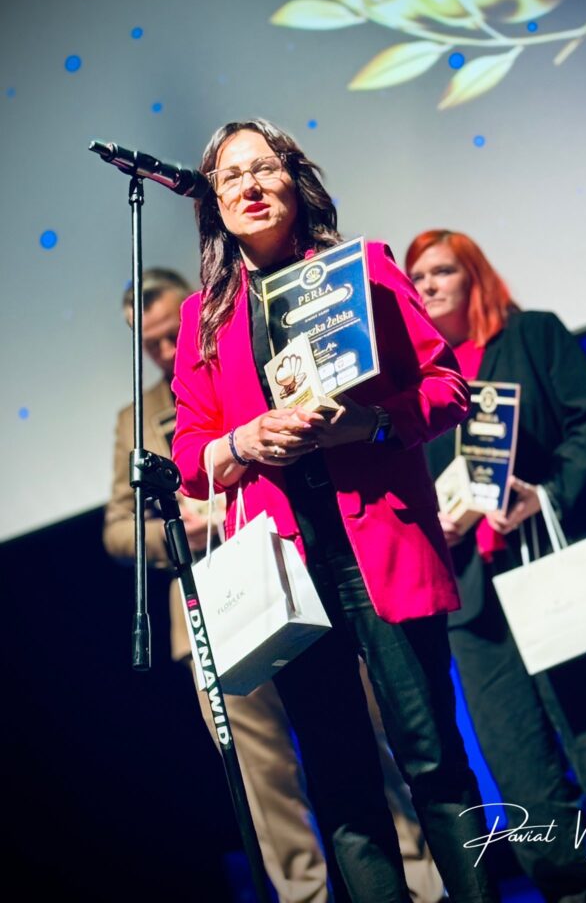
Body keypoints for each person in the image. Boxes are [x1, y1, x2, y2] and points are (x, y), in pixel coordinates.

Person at [171, 119, 498, 903]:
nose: (249, 186)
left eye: (263, 168)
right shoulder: (203, 317)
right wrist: (243, 440)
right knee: (341, 781)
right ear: (214, 204)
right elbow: (189, 451)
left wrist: (371, 423)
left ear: (296, 178)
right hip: (286, 568)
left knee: (433, 761)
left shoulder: (365, 270)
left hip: (380, 548)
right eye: (230, 177)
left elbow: (447, 387)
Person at [104, 268, 444, 903]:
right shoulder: (137, 418)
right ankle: (305, 896)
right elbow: (118, 530)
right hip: (215, 602)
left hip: (301, 570)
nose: (163, 350)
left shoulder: (250, 359)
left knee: (366, 741)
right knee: (264, 778)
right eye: (148, 344)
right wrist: (179, 530)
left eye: (170, 334)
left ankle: (423, 885)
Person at [405, 230, 586, 903]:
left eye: (442, 272)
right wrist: (434, 519)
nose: (428, 286)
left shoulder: (533, 335)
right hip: (471, 591)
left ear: (474, 276)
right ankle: (565, 883)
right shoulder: (415, 383)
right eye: (418, 277)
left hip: (552, 555)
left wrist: (543, 495)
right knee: (512, 749)